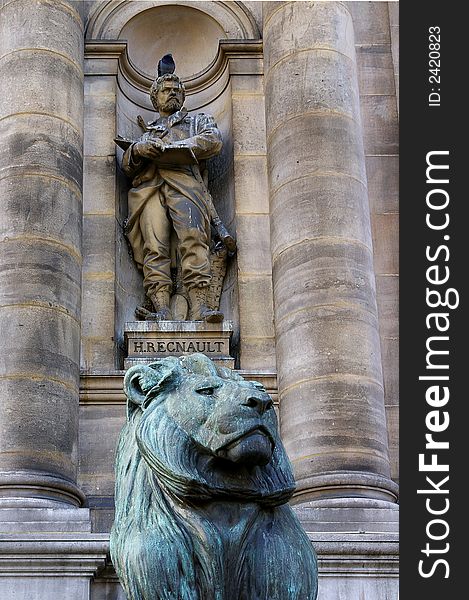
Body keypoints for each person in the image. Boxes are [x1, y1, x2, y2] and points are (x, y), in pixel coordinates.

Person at [121, 57, 228, 322]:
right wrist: (138, 149)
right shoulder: (148, 133)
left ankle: (200, 308)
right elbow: (128, 165)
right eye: (167, 90)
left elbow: (212, 141)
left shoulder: (196, 122)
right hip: (150, 192)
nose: (173, 93)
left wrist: (172, 149)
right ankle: (162, 310)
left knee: (194, 240)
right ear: (155, 98)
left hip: (187, 187)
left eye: (177, 90)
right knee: (154, 248)